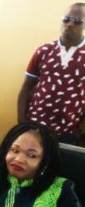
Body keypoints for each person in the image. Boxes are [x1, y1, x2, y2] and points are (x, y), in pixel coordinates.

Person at [17, 3, 85, 145]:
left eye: (77, 21)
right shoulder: (44, 50)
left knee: (62, 167)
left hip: (70, 131)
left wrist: (81, 131)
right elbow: (26, 88)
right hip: (35, 126)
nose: (70, 24)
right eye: (66, 19)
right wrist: (22, 121)